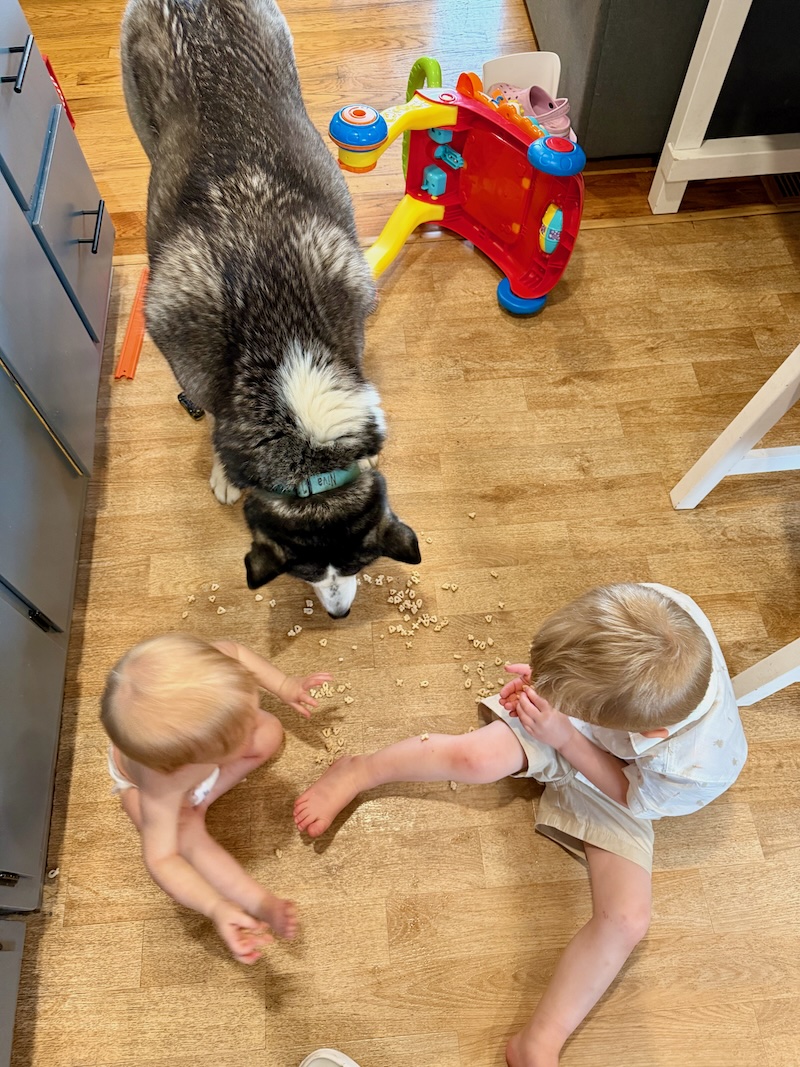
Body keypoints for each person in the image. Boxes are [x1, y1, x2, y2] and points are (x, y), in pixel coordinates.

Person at [293, 583, 747, 1066]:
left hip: (623, 787)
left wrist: (567, 735)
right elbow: (595, 663)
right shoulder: (658, 611)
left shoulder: (695, 766)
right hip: (577, 724)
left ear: (648, 732)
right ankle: (359, 769)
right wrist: (549, 687)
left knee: (628, 919)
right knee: (473, 757)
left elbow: (629, 795)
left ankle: (540, 1041)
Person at [101, 632, 331, 963]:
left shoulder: (210, 669)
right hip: (142, 789)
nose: (253, 720)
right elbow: (162, 860)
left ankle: (200, 802)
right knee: (187, 838)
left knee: (270, 732)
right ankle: (258, 902)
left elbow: (236, 651)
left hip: (192, 772)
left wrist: (283, 686)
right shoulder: (163, 783)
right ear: (195, 763)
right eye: (242, 730)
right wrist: (216, 905)